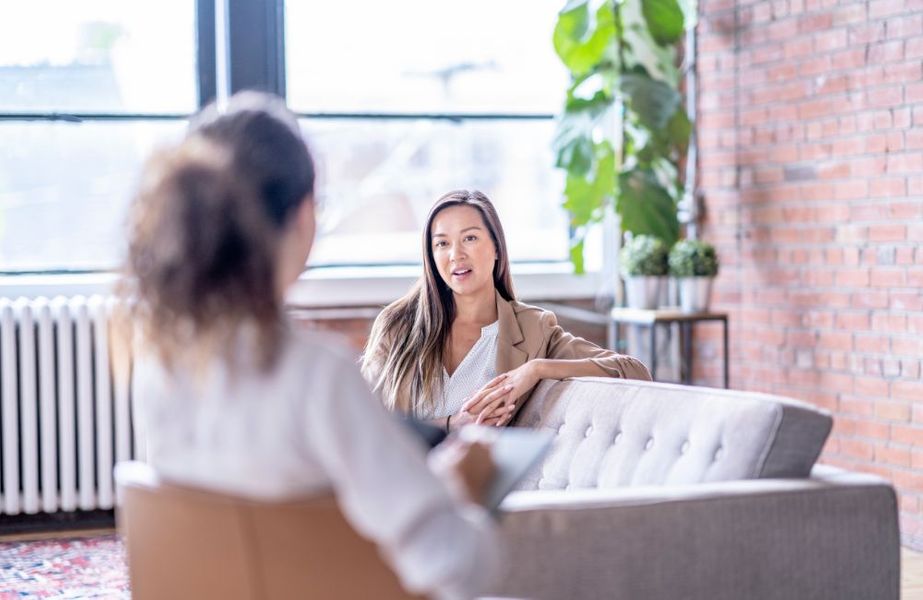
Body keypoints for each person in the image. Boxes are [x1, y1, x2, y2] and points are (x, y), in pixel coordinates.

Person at [121, 92, 501, 600]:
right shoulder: (317, 374)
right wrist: (461, 493)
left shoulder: (160, 365)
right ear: (303, 215)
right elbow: (461, 565)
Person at [362, 190, 652, 431]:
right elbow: (361, 422)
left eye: (470, 238)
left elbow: (634, 371)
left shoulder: (532, 328)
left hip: (485, 489)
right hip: (404, 485)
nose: (456, 254)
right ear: (432, 255)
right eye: (442, 243)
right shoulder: (397, 325)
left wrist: (536, 368)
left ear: (497, 247)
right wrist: (451, 425)